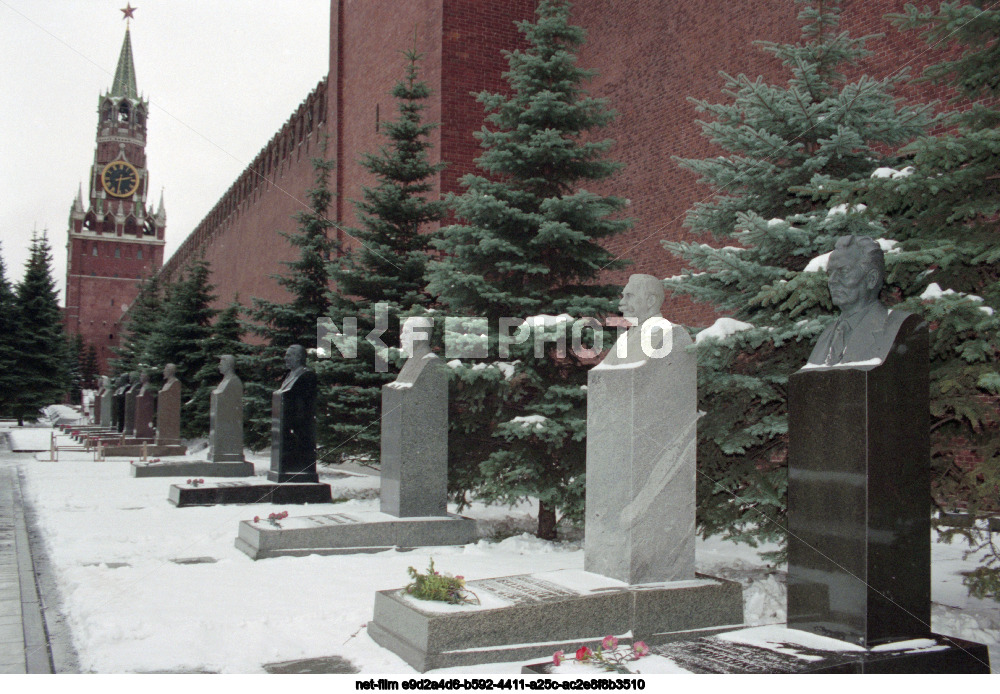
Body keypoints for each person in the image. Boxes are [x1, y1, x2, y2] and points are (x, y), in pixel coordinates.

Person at [807, 235, 911, 366]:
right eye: (830, 273)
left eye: (843, 271)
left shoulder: (900, 328)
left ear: (871, 279)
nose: (832, 281)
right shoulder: (826, 335)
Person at [600, 273, 671, 366]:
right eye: (623, 296)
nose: (622, 302)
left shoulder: (667, 333)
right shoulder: (624, 337)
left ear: (650, 301)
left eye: (629, 296)